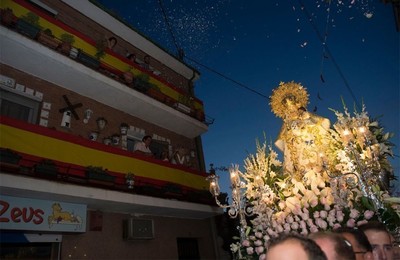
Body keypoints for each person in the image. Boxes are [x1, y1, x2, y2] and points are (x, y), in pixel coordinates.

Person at [270, 81, 333, 180]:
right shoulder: (287, 124)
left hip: (310, 145)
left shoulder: (306, 116)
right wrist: (291, 133)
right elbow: (283, 141)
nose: (291, 110)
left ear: (297, 103)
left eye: (292, 105)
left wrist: (306, 123)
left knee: (316, 163)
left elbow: (319, 123)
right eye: (288, 108)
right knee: (299, 167)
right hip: (296, 151)